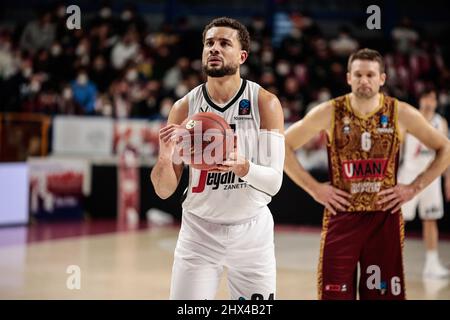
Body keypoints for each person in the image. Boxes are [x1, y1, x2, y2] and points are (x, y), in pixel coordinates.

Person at [284, 48, 450, 300]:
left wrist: (413, 188)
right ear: (348, 77)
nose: (364, 80)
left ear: (382, 78)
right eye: (358, 74)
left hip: (384, 218)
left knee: (382, 296)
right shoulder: (330, 111)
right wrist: (314, 188)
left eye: (370, 74)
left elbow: (444, 147)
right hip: (342, 216)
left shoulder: (400, 113)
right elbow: (282, 145)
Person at [150, 17, 285, 300]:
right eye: (209, 43)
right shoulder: (183, 107)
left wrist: (243, 167)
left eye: (225, 43)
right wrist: (164, 156)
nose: (214, 49)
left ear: (242, 55)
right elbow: (163, 191)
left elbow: (273, 183)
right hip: (199, 232)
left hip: (252, 233)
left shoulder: (265, 103)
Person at [398, 88, 449, 278]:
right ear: (420, 99)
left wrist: (448, 178)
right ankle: (391, 260)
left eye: (433, 98)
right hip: (408, 175)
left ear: (436, 102)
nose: (429, 102)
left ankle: (432, 264)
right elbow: (398, 150)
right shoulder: (410, 117)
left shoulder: (440, 122)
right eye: (426, 97)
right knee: (398, 221)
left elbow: (446, 152)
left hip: (431, 177)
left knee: (431, 219)